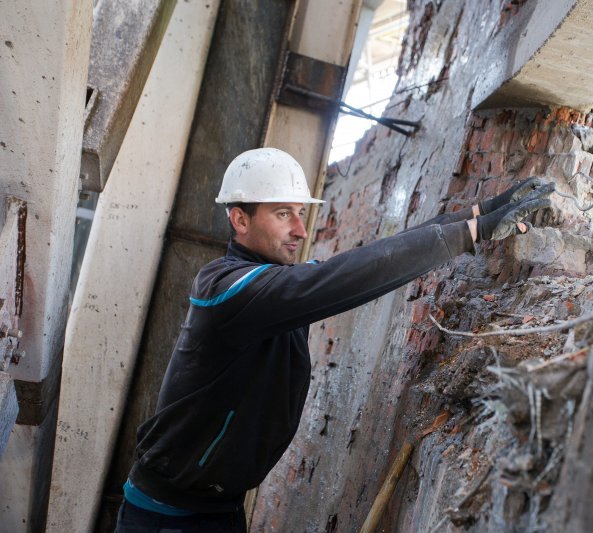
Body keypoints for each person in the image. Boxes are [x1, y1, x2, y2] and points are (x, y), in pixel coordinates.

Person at [115, 148, 554, 532]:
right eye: (284, 213)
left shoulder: (274, 283)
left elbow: (357, 263)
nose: (301, 231)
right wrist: (467, 235)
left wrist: (475, 216)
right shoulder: (226, 288)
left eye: (300, 214)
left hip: (220, 507)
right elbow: (344, 277)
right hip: (166, 515)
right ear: (240, 219)